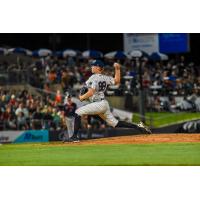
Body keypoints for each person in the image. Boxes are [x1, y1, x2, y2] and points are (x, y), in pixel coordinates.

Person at [69, 60, 151, 142]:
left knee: (78, 112)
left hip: (98, 104)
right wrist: (117, 69)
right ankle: (137, 126)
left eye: (93, 65)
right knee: (114, 123)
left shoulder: (93, 77)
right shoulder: (105, 77)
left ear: (98, 67)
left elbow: (91, 92)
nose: (91, 67)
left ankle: (74, 137)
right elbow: (117, 81)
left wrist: (81, 97)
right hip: (103, 103)